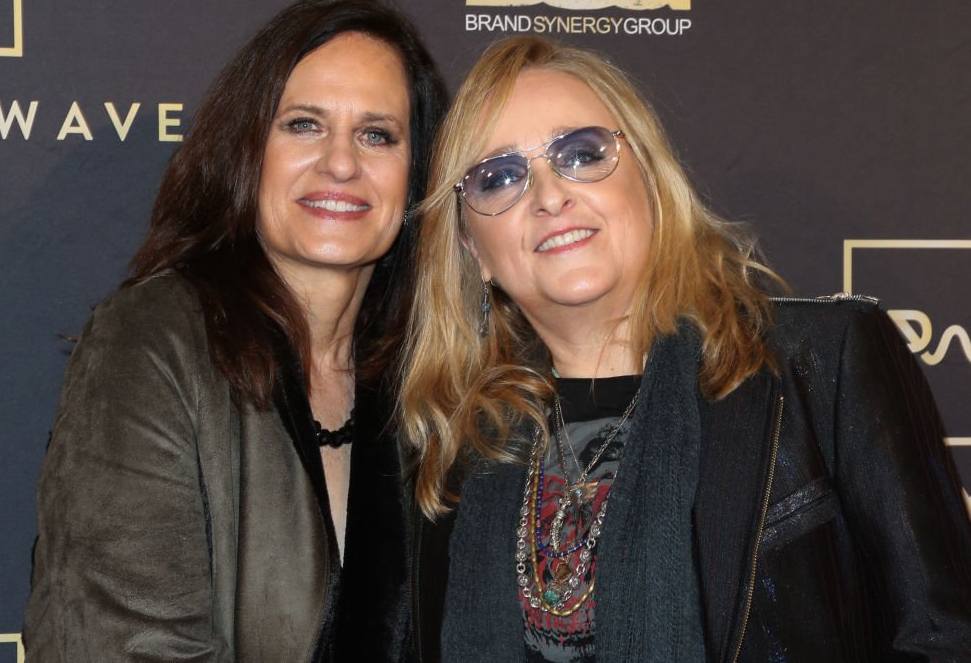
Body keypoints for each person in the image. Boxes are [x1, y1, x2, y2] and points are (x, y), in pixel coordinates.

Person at [401, 35, 971, 661]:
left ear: (649, 177)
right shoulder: (455, 452)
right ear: (473, 248)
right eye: (499, 176)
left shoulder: (819, 367)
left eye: (581, 153)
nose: (548, 196)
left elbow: (946, 638)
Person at [22, 0, 447, 660]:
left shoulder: (431, 379)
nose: (342, 162)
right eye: (304, 125)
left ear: (416, 172)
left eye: (377, 134)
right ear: (247, 148)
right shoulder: (151, 341)